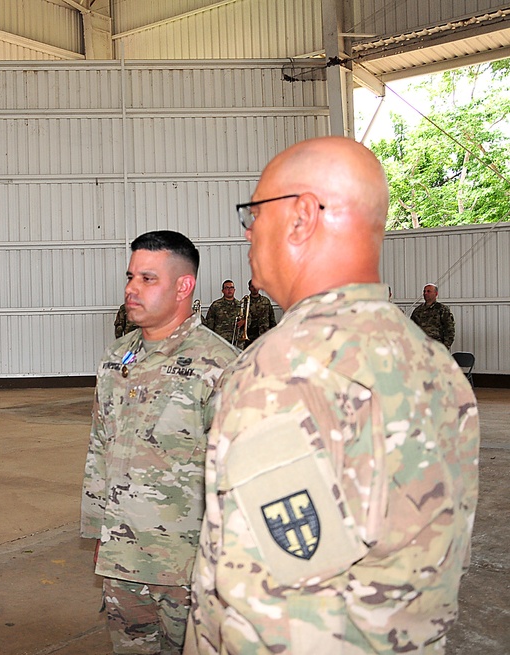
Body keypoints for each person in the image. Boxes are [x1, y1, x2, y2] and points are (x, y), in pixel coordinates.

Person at [186, 137, 480, 654]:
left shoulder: (285, 368)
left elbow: (272, 615)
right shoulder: (431, 361)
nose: (249, 231)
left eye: (253, 213)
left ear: (301, 218)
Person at [81, 230, 238, 654]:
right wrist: (99, 527)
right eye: (131, 277)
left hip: (188, 565)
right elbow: (100, 446)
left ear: (184, 286)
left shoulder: (220, 366)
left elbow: (238, 477)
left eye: (147, 279)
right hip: (122, 558)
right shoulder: (116, 359)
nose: (131, 288)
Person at [410, 283, 456, 349]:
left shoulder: (442, 309)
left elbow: (449, 330)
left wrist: (445, 347)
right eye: (424, 291)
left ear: (436, 294)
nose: (425, 293)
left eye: (428, 291)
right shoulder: (418, 310)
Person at [242, 278, 277, 346]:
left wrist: (274, 330)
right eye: (252, 286)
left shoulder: (266, 301)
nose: (255, 288)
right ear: (249, 288)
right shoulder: (246, 301)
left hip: (265, 333)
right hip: (251, 335)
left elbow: (271, 317)